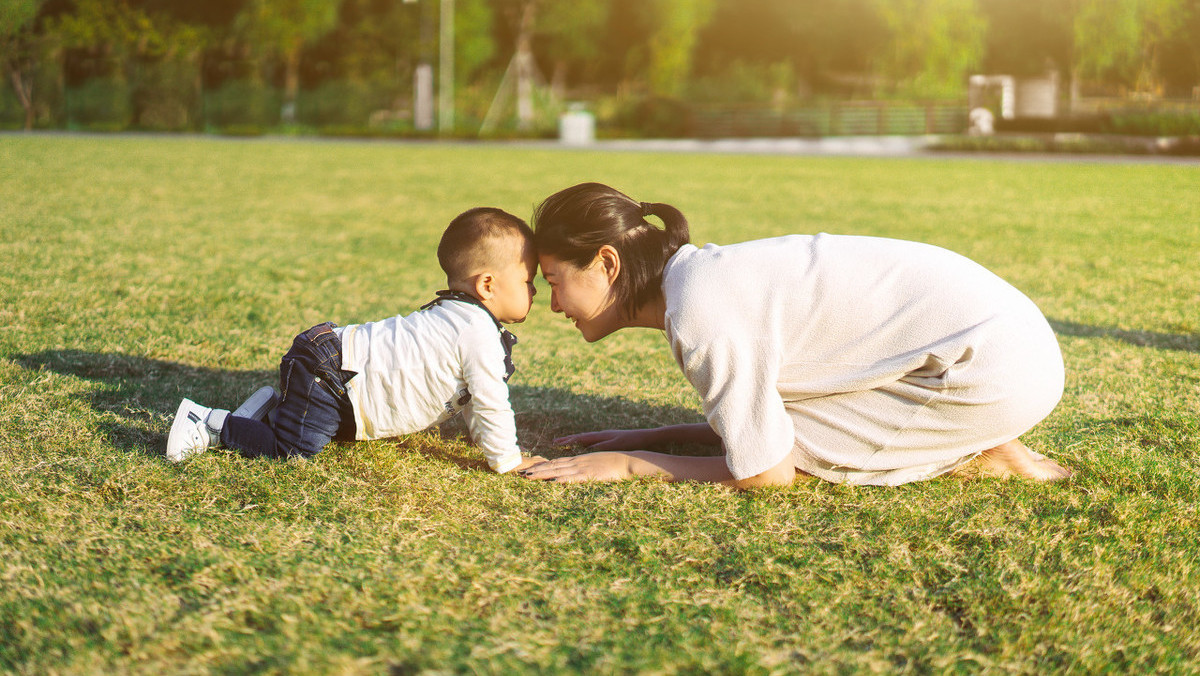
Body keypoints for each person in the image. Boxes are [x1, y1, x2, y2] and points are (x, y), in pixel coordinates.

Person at [519, 182, 1072, 488]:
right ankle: (970, 435)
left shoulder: (698, 311)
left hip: (992, 370)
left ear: (607, 263)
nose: (553, 304)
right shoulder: (700, 279)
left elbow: (766, 473)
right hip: (1010, 347)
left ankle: (979, 448)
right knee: (781, 430)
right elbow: (759, 422)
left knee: (805, 456)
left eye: (554, 281)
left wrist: (630, 464)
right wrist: (661, 433)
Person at [166, 207, 544, 474]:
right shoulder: (476, 331)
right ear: (487, 284)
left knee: (327, 432)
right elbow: (491, 401)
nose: (534, 291)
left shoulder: (462, 319)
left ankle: (268, 413)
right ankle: (209, 424)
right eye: (528, 281)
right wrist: (507, 461)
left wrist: (483, 442)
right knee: (294, 450)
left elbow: (474, 397)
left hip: (335, 370)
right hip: (331, 372)